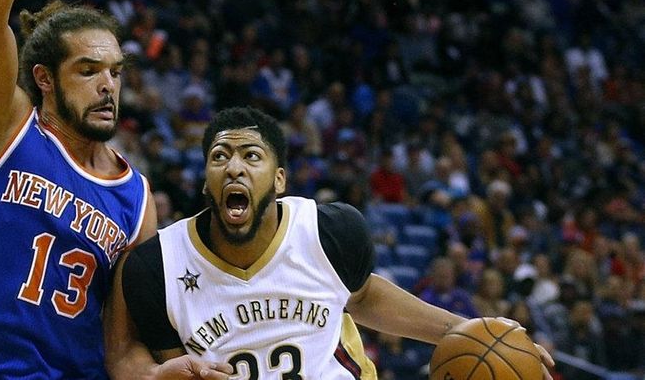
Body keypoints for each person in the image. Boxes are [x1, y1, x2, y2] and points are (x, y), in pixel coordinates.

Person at [0, 0, 231, 379]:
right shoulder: (4, 129)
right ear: (45, 79)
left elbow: (121, 347)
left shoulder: (137, 198)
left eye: (115, 72)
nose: (108, 86)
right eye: (88, 71)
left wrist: (156, 375)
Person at [108, 107, 555, 378]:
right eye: (220, 157)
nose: (234, 167)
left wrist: (470, 332)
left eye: (252, 156)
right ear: (206, 180)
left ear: (279, 179)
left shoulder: (328, 231)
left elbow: (361, 294)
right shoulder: (157, 268)